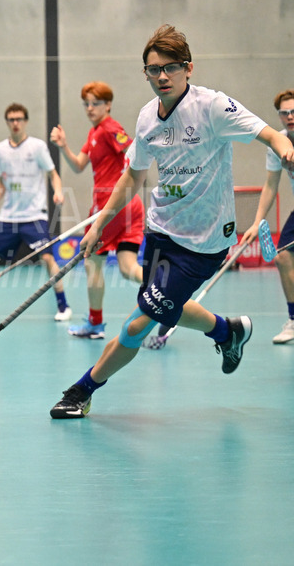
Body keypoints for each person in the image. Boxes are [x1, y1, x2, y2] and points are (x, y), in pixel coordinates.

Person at [50, 24, 294, 419]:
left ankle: (82, 390)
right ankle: (226, 331)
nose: (162, 76)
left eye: (171, 67)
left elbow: (270, 134)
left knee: (137, 323)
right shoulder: (147, 118)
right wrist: (98, 227)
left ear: (188, 69)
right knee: (164, 305)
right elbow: (133, 176)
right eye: (153, 69)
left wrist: (287, 151)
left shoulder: (213, 107)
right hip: (161, 231)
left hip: (204, 242)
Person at [0, 102, 71, 322]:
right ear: (7, 122)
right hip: (8, 217)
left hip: (35, 215)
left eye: (19, 119)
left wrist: (58, 192)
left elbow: (53, 174)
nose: (15, 123)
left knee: (48, 258)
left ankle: (63, 306)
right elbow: (1, 185)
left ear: (25, 121)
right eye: (11, 119)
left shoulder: (37, 147)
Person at [50, 82, 145, 339]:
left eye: (95, 103)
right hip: (129, 206)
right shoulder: (94, 134)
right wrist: (63, 146)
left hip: (111, 204)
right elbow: (79, 165)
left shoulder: (110, 128)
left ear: (108, 105)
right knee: (128, 268)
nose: (90, 108)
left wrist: (126, 177)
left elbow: (133, 150)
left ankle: (95, 322)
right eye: (86, 104)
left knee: (92, 261)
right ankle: (163, 288)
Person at [239, 88, 294, 344]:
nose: (290, 116)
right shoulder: (277, 144)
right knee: (283, 258)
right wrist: (258, 221)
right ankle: (293, 320)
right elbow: (271, 185)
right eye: (284, 113)